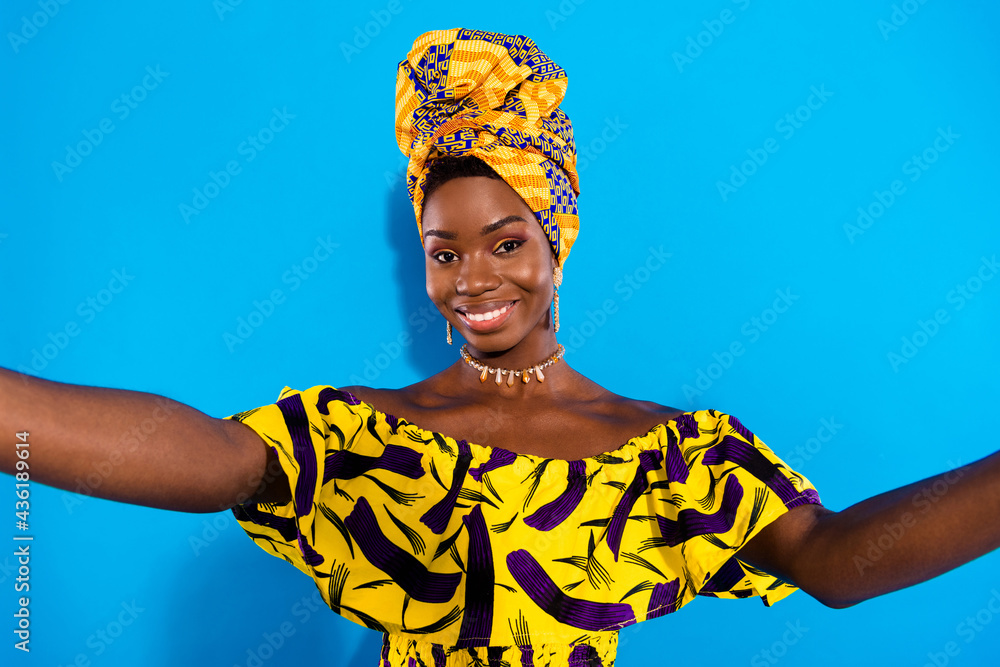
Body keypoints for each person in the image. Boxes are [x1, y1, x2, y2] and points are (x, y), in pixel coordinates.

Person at [2, 27, 998, 667]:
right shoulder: (358, 435)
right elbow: (214, 462)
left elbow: (834, 563)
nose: (472, 278)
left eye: (506, 241)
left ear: (556, 242)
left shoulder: (675, 454)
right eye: (443, 251)